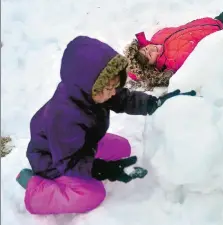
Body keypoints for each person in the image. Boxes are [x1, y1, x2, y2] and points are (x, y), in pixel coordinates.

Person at [16, 36, 195, 215]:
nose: (112, 92)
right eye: (108, 88)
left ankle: (88, 159)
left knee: (122, 147)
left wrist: (154, 104)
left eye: (115, 85)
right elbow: (69, 162)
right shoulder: (64, 118)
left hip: (80, 144)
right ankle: (35, 191)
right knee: (93, 194)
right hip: (55, 161)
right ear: (87, 87)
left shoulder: (95, 91)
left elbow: (123, 99)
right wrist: (106, 170)